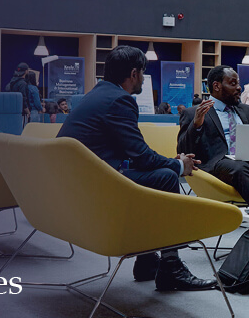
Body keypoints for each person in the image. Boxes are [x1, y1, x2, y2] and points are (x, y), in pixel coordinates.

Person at [57, 46, 214, 291]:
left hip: (76, 188)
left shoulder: (96, 95)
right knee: (165, 177)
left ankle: (148, 260)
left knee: (156, 176)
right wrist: (178, 165)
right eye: (142, 72)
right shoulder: (121, 100)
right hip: (94, 191)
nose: (142, 78)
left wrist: (169, 162)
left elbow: (126, 153)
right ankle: (170, 266)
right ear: (133, 74)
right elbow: (142, 157)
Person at [178, 66, 249, 209]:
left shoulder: (248, 110)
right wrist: (196, 125)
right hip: (218, 163)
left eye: (238, 83)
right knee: (240, 168)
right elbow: (182, 150)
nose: (239, 88)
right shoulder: (193, 113)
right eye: (233, 84)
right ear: (217, 86)